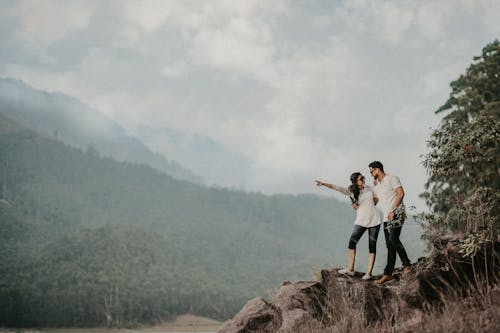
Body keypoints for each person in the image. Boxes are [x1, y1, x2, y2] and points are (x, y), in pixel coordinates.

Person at [316, 172, 381, 280]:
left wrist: (368, 204)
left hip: (374, 220)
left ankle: (369, 273)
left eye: (363, 178)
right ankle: (350, 269)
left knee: (372, 246)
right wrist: (323, 184)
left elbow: (376, 200)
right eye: (361, 179)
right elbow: (336, 187)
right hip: (361, 220)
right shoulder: (351, 192)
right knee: (352, 243)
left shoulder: (370, 188)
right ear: (355, 181)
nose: (363, 180)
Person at [368, 161, 411, 285]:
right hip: (386, 218)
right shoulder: (378, 184)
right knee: (389, 245)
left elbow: (401, 193)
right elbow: (376, 200)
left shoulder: (392, 178)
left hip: (396, 213)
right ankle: (388, 274)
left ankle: (407, 265)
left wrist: (393, 210)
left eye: (372, 171)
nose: (371, 174)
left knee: (393, 239)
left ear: (377, 169)